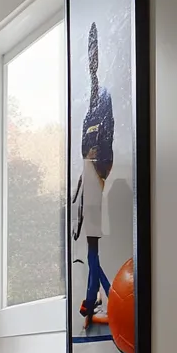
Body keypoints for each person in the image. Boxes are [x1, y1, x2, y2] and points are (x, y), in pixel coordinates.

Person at [72, 22, 115, 330]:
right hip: (90, 176)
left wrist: (96, 161)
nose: (92, 60)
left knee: (93, 244)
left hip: (98, 176)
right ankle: (99, 296)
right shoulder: (89, 102)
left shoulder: (106, 98)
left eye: (96, 53)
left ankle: (102, 295)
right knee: (91, 246)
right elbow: (84, 142)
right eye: (90, 54)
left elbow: (105, 139)